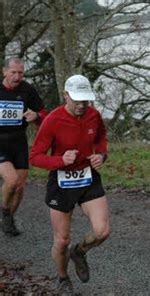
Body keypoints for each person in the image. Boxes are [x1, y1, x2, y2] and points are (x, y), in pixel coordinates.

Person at [29, 74, 110, 294]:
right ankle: (63, 278)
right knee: (62, 240)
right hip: (61, 182)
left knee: (102, 231)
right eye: (77, 100)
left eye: (86, 100)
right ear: (66, 95)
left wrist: (101, 155)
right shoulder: (52, 120)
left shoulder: (94, 115)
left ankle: (80, 252)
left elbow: (101, 139)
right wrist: (59, 160)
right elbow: (35, 156)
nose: (82, 105)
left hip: (87, 177)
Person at [0, 57, 47, 236]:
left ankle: (8, 218)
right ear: (4, 72)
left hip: (19, 141)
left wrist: (36, 116)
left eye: (21, 73)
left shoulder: (28, 90)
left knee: (19, 186)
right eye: (13, 72)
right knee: (11, 180)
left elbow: (43, 113)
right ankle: (4, 212)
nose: (17, 77)